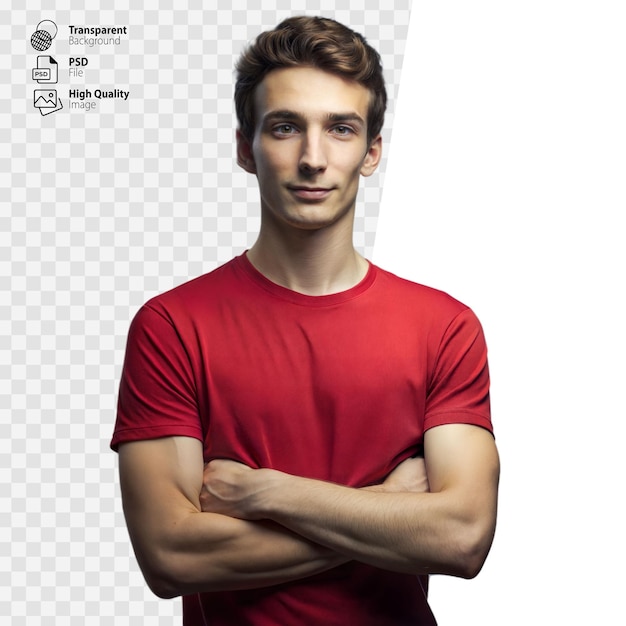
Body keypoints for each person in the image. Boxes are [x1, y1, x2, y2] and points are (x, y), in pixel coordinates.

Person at [111, 15, 500, 626]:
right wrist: (388, 511)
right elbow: (168, 554)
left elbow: (463, 537)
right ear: (246, 148)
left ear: (371, 152)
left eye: (341, 129)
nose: (313, 158)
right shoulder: (172, 326)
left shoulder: (444, 327)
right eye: (286, 127)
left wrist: (268, 494)